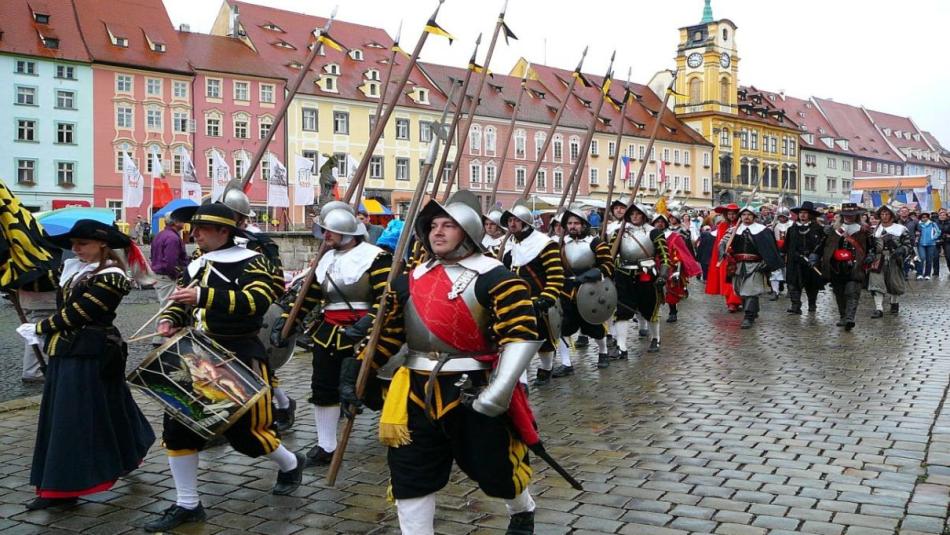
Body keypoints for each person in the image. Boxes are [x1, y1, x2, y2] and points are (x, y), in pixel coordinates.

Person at [358, 191, 541, 535]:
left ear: (468, 233)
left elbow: (520, 336)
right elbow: (387, 334)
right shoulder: (408, 280)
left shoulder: (496, 278)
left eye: (449, 226)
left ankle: (522, 509)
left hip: (473, 388)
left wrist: (498, 393)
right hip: (414, 391)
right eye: (433, 226)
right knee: (410, 473)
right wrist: (359, 373)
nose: (437, 232)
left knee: (496, 469)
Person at [145, 204, 303, 532]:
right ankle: (187, 503)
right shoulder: (198, 263)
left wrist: (203, 295)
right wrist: (168, 319)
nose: (195, 234)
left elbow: (257, 302)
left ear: (224, 232)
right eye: (194, 229)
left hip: (240, 354)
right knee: (178, 429)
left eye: (202, 229)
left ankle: (290, 462)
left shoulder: (254, 261)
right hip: (198, 354)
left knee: (248, 435)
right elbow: (181, 303)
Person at [22, 220, 154, 510]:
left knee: (73, 419)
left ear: (102, 244)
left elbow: (80, 313)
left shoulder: (113, 276)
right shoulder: (75, 270)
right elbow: (56, 296)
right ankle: (132, 447)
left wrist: (40, 327)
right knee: (103, 408)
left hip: (90, 352)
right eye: (74, 243)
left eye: (82, 243)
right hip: (68, 351)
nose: (75, 249)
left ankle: (64, 489)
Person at [272, 204, 390, 468]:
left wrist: (370, 323)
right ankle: (326, 446)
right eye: (325, 230)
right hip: (328, 333)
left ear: (347, 233)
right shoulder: (325, 259)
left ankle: (403, 419)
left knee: (369, 392)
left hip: (363, 335)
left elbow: (387, 300)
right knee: (323, 388)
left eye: (331, 231)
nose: (325, 235)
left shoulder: (377, 258)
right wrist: (286, 323)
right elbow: (307, 297)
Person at [501, 203, 565, 386]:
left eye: (516, 220)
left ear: (526, 223)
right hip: (516, 302)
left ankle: (546, 368)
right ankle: (522, 381)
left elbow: (556, 275)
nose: (512, 224)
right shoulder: (509, 245)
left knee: (542, 339)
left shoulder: (544, 244)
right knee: (517, 341)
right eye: (510, 220)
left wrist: (547, 298)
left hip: (539, 301)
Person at [557, 205, 614, 370]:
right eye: (569, 223)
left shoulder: (595, 243)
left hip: (590, 290)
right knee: (562, 327)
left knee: (594, 325)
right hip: (566, 291)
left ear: (583, 225)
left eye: (576, 223)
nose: (572, 226)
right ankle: (566, 363)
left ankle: (603, 352)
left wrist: (591, 275)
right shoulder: (562, 244)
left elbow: (608, 266)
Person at [613, 203, 671, 353]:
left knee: (650, 308)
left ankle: (655, 338)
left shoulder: (654, 232)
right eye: (632, 214)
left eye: (638, 214)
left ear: (644, 216)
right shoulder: (620, 232)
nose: (635, 216)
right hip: (624, 274)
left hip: (646, 274)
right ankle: (621, 346)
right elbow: (610, 252)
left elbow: (665, 256)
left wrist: (663, 275)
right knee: (622, 310)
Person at [722, 206, 783, 329]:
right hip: (738, 265)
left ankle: (748, 317)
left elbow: (770, 249)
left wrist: (767, 262)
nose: (746, 217)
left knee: (751, 291)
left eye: (749, 215)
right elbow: (722, 244)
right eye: (743, 215)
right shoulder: (734, 230)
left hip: (755, 265)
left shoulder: (762, 231)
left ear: (754, 217)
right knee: (740, 291)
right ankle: (753, 311)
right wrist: (723, 249)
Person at [820, 203, 871, 330]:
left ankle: (850, 318)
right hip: (836, 266)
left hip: (856, 265)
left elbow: (872, 247)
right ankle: (843, 316)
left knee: (852, 292)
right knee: (839, 293)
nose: (849, 217)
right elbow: (824, 246)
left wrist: (871, 256)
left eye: (852, 215)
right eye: (846, 215)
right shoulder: (834, 230)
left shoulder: (864, 230)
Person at [652, 212, 701, 323]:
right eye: (657, 222)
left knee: (671, 290)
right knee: (652, 291)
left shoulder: (673, 236)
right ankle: (651, 312)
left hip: (670, 266)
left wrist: (678, 268)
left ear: (666, 223)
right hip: (653, 266)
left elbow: (682, 252)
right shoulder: (649, 235)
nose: (659, 224)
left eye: (661, 222)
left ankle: (672, 312)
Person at [868, 204, 911, 317]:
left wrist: (901, 250)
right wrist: (870, 254)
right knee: (876, 282)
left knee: (894, 283)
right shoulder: (875, 230)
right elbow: (871, 246)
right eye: (882, 214)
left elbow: (908, 245)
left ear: (892, 216)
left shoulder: (901, 229)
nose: (884, 216)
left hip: (894, 259)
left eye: (887, 214)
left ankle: (894, 303)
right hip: (878, 259)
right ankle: (879, 308)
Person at [784, 202, 826, 314]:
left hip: (811, 261)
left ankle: (812, 304)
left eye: (805, 213)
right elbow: (787, 245)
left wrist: (816, 255)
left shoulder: (818, 229)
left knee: (811, 285)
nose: (802, 215)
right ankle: (795, 306)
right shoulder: (792, 229)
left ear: (810, 215)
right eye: (801, 213)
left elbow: (822, 245)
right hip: (795, 261)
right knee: (793, 283)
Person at [17, 270, 58, 382]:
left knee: (35, 332)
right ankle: (34, 371)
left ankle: (34, 370)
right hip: (43, 297)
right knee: (39, 333)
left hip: (30, 296)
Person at [705, 203, 744, 312]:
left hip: (737, 256)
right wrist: (722, 252)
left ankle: (739, 300)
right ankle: (731, 302)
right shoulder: (722, 226)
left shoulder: (741, 225)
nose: (731, 216)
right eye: (729, 214)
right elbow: (720, 242)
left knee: (738, 280)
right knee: (727, 280)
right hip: (726, 258)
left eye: (734, 214)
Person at [769, 208, 792, 300]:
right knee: (775, 271)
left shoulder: (792, 225)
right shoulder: (774, 225)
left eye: (783, 216)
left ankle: (789, 290)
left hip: (788, 250)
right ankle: (775, 291)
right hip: (776, 250)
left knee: (788, 271)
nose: (781, 218)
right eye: (780, 216)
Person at [916, 212, 941, 280]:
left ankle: (927, 274)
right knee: (922, 258)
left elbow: (938, 232)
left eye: (926, 217)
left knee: (929, 259)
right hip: (921, 244)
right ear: (921, 218)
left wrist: (933, 237)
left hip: (931, 244)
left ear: (928, 217)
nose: (924, 218)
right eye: (923, 217)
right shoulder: (918, 224)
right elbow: (916, 231)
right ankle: (919, 274)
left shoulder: (932, 224)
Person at [937, 209, 950, 276]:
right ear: (938, 216)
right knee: (935, 257)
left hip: (947, 241)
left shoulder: (949, 222)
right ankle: (935, 272)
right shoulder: (935, 223)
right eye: (940, 215)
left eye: (944, 215)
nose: (942, 216)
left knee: (948, 256)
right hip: (937, 241)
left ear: (946, 216)